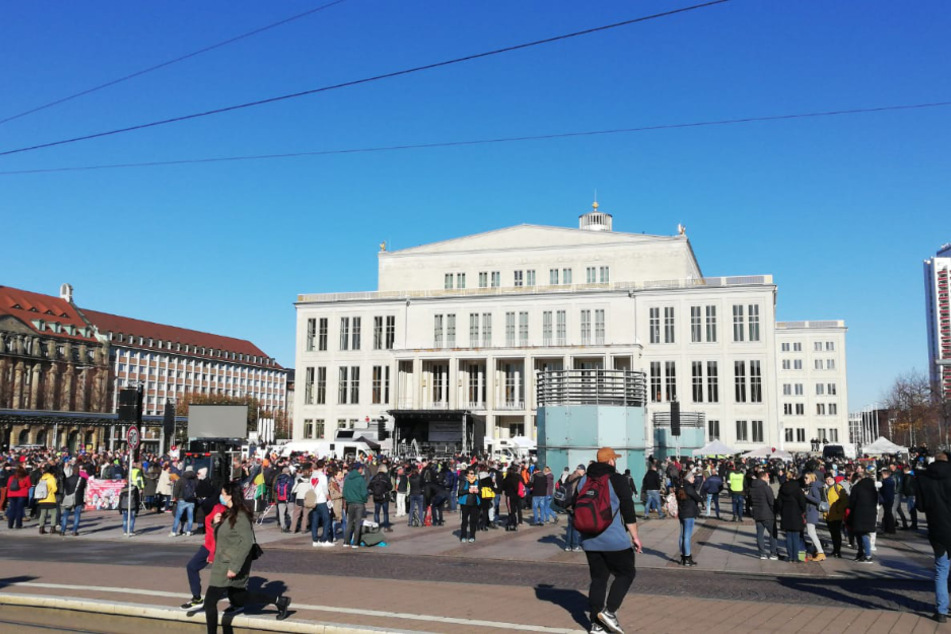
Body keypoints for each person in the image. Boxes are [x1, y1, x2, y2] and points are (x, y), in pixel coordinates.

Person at [203, 482, 290, 632]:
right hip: (223, 562)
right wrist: (215, 523)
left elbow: (246, 542)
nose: (221, 497)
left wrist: (234, 567)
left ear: (230, 496)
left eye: (223, 494)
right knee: (238, 598)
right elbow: (224, 537)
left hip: (230, 565)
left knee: (209, 601)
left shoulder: (240, 515)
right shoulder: (229, 512)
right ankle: (279, 601)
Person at [579, 448, 642, 634]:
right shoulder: (617, 479)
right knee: (626, 573)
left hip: (590, 539)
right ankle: (609, 612)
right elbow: (628, 511)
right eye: (614, 459)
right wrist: (635, 537)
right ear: (611, 462)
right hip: (614, 539)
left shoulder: (584, 479)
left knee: (598, 580)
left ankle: (596, 625)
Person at [914, 450, 951, 623]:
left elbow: (920, 507)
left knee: (941, 571)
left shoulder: (923, 478)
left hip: (937, 528)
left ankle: (941, 611)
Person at [181, 498, 228, 611]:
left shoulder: (218, 510)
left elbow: (217, 534)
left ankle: (236, 599)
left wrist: (212, 553)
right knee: (192, 567)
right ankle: (197, 598)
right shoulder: (210, 506)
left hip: (216, 547)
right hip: (208, 544)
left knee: (222, 575)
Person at [775, 468, 806, 563]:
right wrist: (802, 511)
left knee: (788, 536)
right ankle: (795, 557)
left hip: (786, 513)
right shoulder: (798, 488)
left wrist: (781, 511)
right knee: (796, 536)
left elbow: (779, 502)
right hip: (796, 514)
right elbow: (802, 503)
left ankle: (790, 556)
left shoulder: (782, 488)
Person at [847, 472, 878, 564]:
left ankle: (867, 555)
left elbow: (852, 501)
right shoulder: (873, 490)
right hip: (871, 515)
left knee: (861, 535)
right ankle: (861, 553)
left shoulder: (857, 488)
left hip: (858, 514)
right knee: (863, 534)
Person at [750, 469, 778, 560]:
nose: (769, 478)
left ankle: (762, 553)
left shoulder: (753, 487)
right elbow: (771, 501)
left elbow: (750, 500)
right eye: (767, 477)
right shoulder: (766, 487)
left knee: (760, 534)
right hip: (768, 514)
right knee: (773, 533)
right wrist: (775, 511)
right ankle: (773, 553)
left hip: (757, 513)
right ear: (763, 477)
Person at [677, 471, 702, 567]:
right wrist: (700, 499)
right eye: (692, 477)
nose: (694, 479)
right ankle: (687, 558)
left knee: (682, 535)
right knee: (687, 537)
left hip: (682, 513)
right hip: (689, 513)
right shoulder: (689, 487)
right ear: (688, 478)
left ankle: (683, 556)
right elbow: (697, 497)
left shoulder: (680, 486)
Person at [342, 462, 368, 548]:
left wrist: (348, 500)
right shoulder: (361, 479)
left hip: (350, 503)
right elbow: (364, 493)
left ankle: (346, 541)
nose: (362, 470)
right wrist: (364, 500)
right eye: (361, 468)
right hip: (359, 503)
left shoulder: (347, 479)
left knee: (349, 522)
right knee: (357, 523)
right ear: (359, 469)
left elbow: (344, 493)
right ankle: (355, 543)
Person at [802, 472, 826, 562]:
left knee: (811, 533)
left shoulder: (813, 488)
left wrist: (806, 495)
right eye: (804, 478)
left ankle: (820, 552)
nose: (805, 479)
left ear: (811, 478)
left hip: (812, 512)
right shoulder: (811, 487)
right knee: (811, 532)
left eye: (806, 478)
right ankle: (818, 551)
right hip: (810, 511)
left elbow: (818, 500)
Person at [59, 463, 87, 536]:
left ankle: (62, 530)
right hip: (78, 498)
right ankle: (74, 531)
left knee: (66, 514)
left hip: (69, 498)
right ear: (79, 471)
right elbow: (84, 488)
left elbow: (66, 489)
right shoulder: (82, 479)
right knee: (77, 515)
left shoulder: (68, 479)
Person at [825, 472, 848, 558]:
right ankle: (835, 550)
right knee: (833, 533)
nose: (828, 481)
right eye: (826, 479)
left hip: (837, 514)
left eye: (829, 479)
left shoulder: (837, 487)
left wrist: (839, 509)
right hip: (829, 514)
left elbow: (844, 500)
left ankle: (837, 551)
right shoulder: (826, 488)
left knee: (837, 533)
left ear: (833, 479)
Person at [563, 464, 586, 551]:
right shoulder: (580, 480)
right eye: (584, 471)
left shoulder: (569, 477)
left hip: (568, 504)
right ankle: (575, 545)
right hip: (575, 505)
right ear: (582, 471)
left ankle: (567, 546)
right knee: (576, 526)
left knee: (569, 526)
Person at [171, 467, 198, 537]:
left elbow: (177, 488)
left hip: (182, 499)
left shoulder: (182, 479)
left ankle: (174, 531)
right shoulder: (195, 479)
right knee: (190, 516)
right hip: (191, 500)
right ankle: (188, 531)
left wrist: (175, 497)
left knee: (178, 516)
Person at [368, 464, 393, 533]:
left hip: (376, 497)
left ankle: (376, 526)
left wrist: (375, 491)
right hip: (384, 497)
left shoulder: (374, 477)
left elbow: (370, 486)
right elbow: (390, 487)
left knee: (376, 512)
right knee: (385, 513)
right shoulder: (386, 477)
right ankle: (386, 527)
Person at [35, 465, 59, 534]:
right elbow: (54, 489)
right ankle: (52, 528)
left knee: (43, 514)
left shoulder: (42, 478)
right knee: (53, 513)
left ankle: (41, 528)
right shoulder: (52, 478)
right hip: (50, 498)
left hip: (42, 498)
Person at [5, 465, 31, 529]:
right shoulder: (26, 477)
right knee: (19, 510)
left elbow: (8, 486)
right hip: (21, 494)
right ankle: (18, 525)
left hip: (11, 494)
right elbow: (29, 485)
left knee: (12, 509)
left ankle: (10, 524)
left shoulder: (11, 477)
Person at [458, 469, 480, 543]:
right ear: (467, 474)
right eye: (471, 473)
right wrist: (468, 491)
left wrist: (478, 491)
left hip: (474, 503)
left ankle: (472, 536)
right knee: (465, 520)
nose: (472, 475)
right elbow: (460, 491)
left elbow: (481, 491)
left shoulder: (476, 481)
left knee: (473, 521)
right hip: (465, 503)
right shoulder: (464, 481)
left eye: (473, 473)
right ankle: (463, 536)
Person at [899, 464, 918, 531]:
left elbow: (906, 486)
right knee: (912, 509)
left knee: (911, 509)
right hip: (912, 494)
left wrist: (905, 493)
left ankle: (914, 524)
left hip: (910, 494)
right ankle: (914, 523)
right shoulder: (912, 476)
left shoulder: (907, 476)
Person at [879, 469, 897, 534]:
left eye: (882, 474)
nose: (882, 476)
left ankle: (890, 528)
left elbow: (885, 491)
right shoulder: (890, 481)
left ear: (886, 474)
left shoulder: (886, 482)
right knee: (887, 513)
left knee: (888, 513)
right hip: (889, 499)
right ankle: (888, 528)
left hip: (887, 499)